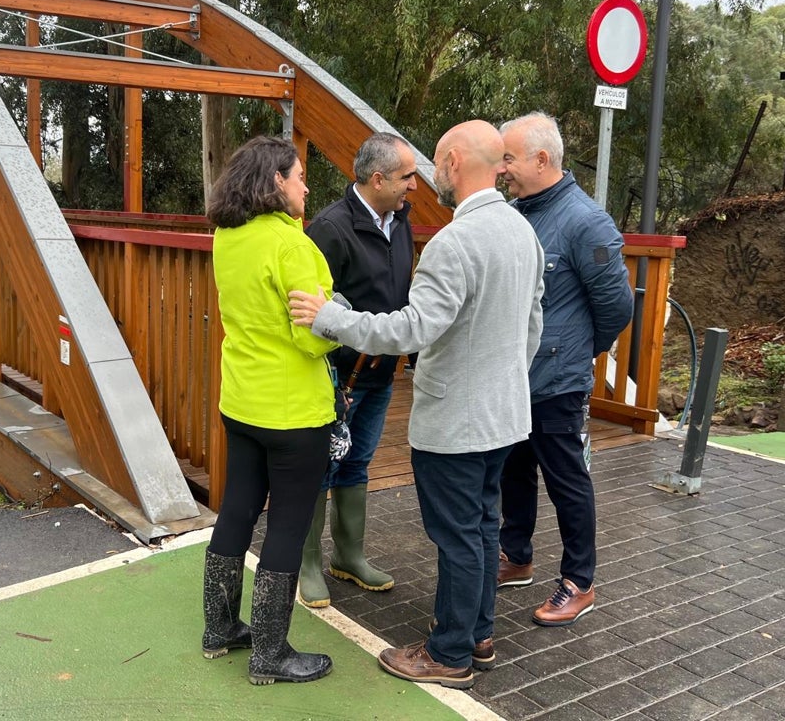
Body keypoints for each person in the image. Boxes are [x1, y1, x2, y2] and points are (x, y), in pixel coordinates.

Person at [289, 120, 543, 690]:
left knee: (457, 536)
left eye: (433, 163)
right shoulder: (521, 230)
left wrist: (330, 318)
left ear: (454, 162)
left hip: (456, 422)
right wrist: (504, 380)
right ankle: (476, 634)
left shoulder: (455, 241)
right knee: (480, 527)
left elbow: (412, 328)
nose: (426, 177)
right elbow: (533, 323)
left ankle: (449, 654)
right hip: (504, 416)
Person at [201, 135, 340, 686]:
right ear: (276, 181)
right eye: (299, 176)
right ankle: (270, 653)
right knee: (287, 523)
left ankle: (220, 629)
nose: (307, 186)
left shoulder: (227, 238)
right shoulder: (295, 248)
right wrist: (337, 317)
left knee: (237, 507)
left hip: (241, 399)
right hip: (293, 410)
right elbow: (312, 338)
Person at [495, 112, 633, 627]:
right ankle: (517, 556)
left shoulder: (585, 221)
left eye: (508, 158)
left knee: (566, 479)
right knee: (515, 469)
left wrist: (577, 350)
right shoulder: (517, 213)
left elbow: (616, 307)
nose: (502, 168)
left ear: (542, 159)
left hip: (558, 379)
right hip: (516, 374)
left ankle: (579, 582)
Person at [298, 132, 418, 608]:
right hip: (338, 377)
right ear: (377, 178)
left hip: (382, 373)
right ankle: (307, 561)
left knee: (357, 463)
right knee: (320, 466)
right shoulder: (330, 228)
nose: (414, 185)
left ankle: (349, 555)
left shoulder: (401, 221)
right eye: (407, 176)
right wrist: (331, 377)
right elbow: (312, 310)